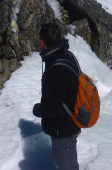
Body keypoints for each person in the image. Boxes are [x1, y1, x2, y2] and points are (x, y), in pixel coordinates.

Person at [33, 23, 81, 170]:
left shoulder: (56, 69)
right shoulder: (66, 55)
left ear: (42, 42)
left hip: (63, 128)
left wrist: (38, 109)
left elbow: (52, 109)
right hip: (71, 121)